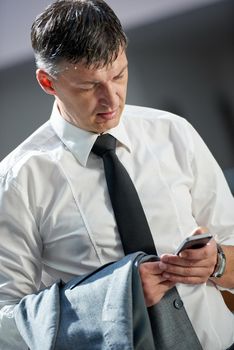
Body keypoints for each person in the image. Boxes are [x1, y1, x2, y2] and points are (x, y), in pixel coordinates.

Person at [0, 0, 233, 349]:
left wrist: (218, 263)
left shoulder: (173, 132)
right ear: (48, 82)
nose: (111, 100)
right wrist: (110, 302)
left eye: (118, 75)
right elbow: (5, 319)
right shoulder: (19, 179)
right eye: (87, 87)